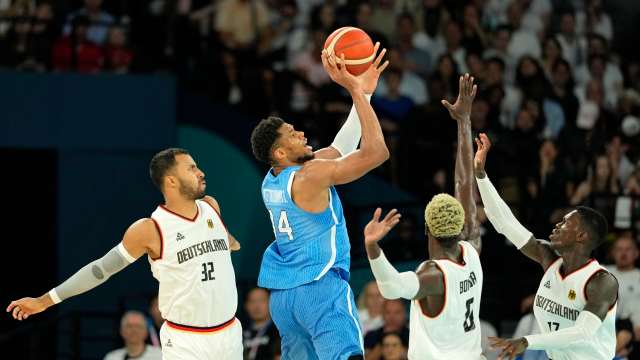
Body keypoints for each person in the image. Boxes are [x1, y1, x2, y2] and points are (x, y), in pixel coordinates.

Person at [7, 148, 243, 359]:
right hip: (186, 340)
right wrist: (45, 301)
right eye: (192, 168)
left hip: (229, 333)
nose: (200, 172)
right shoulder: (150, 229)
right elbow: (100, 270)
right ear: (171, 180)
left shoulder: (211, 206)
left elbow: (225, 240)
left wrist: (231, 243)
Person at [249, 44, 389, 359]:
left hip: (284, 299)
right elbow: (376, 152)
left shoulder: (273, 180)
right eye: (290, 133)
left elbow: (340, 147)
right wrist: (353, 87)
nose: (299, 132)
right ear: (280, 153)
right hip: (320, 288)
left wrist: (364, 95)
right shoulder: (310, 176)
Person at [363, 74, 485, 359]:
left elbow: (391, 288)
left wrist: (372, 247)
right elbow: (464, 183)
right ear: (461, 227)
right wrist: (464, 122)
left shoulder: (433, 275)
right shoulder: (472, 248)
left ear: (428, 229)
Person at [474, 134, 619, 360]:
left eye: (565, 223)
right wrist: (481, 176)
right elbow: (505, 223)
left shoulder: (601, 281)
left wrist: (527, 341)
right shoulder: (548, 257)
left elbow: (582, 332)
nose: (557, 225)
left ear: (581, 235)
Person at [243, 287, 280, 360]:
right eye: (252, 301)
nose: (257, 306)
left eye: (262, 300)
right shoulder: (239, 333)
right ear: (246, 305)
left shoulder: (280, 332)